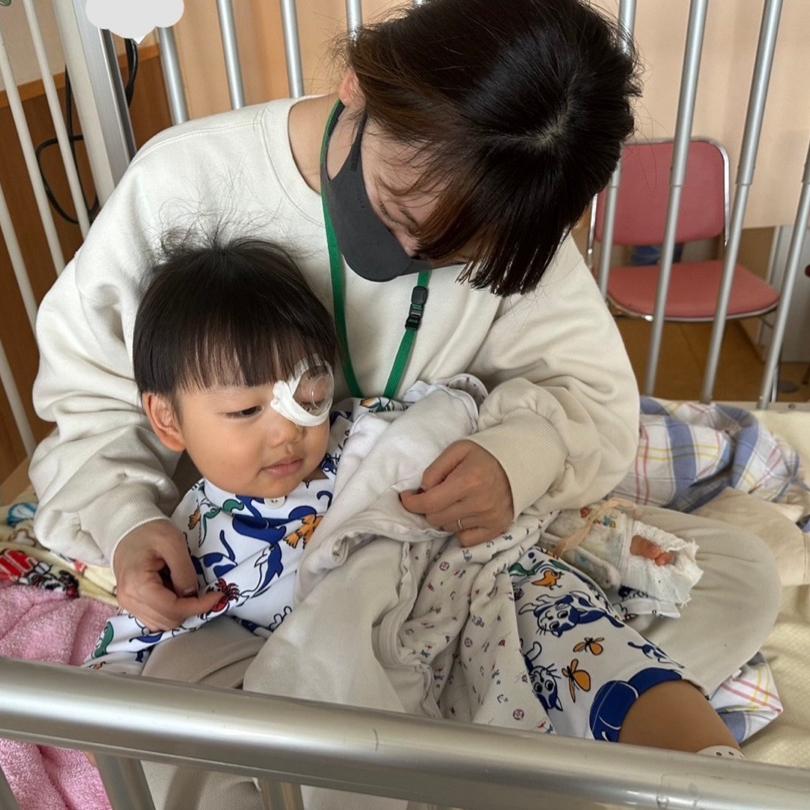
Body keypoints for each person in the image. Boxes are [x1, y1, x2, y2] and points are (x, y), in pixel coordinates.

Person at [29, 0, 777, 804]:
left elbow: (591, 401)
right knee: (180, 742)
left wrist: (516, 460)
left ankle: (449, 733)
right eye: (399, 210)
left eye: (461, 255)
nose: (416, 253)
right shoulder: (180, 185)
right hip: (251, 586)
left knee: (737, 576)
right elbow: (89, 411)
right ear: (359, 86)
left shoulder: (515, 208)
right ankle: (479, 741)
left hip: (443, 556)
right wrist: (127, 525)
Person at [84, 235, 346, 674]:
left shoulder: (356, 437)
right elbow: (120, 654)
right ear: (168, 420)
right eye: (246, 410)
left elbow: (444, 414)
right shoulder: (185, 546)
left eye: (307, 397)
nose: (288, 430)